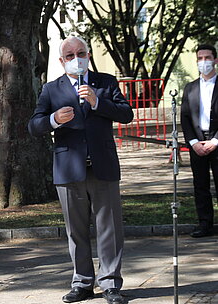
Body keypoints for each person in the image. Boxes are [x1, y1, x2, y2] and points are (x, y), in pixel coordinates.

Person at [28, 36, 133, 304]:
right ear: (62, 61)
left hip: (103, 166)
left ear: (88, 55)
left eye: (81, 53)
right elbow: (34, 125)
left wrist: (98, 102)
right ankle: (83, 282)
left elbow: (126, 113)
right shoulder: (51, 89)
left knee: (109, 228)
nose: (77, 58)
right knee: (76, 230)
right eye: (70, 55)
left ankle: (110, 284)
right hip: (68, 168)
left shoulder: (106, 82)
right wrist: (54, 120)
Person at [180, 44, 218, 238]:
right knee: (200, 185)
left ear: (215, 60)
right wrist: (193, 142)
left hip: (217, 142)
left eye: (207, 58)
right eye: (200, 58)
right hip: (198, 143)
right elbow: (185, 118)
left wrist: (216, 140)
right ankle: (205, 224)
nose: (203, 62)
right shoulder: (190, 87)